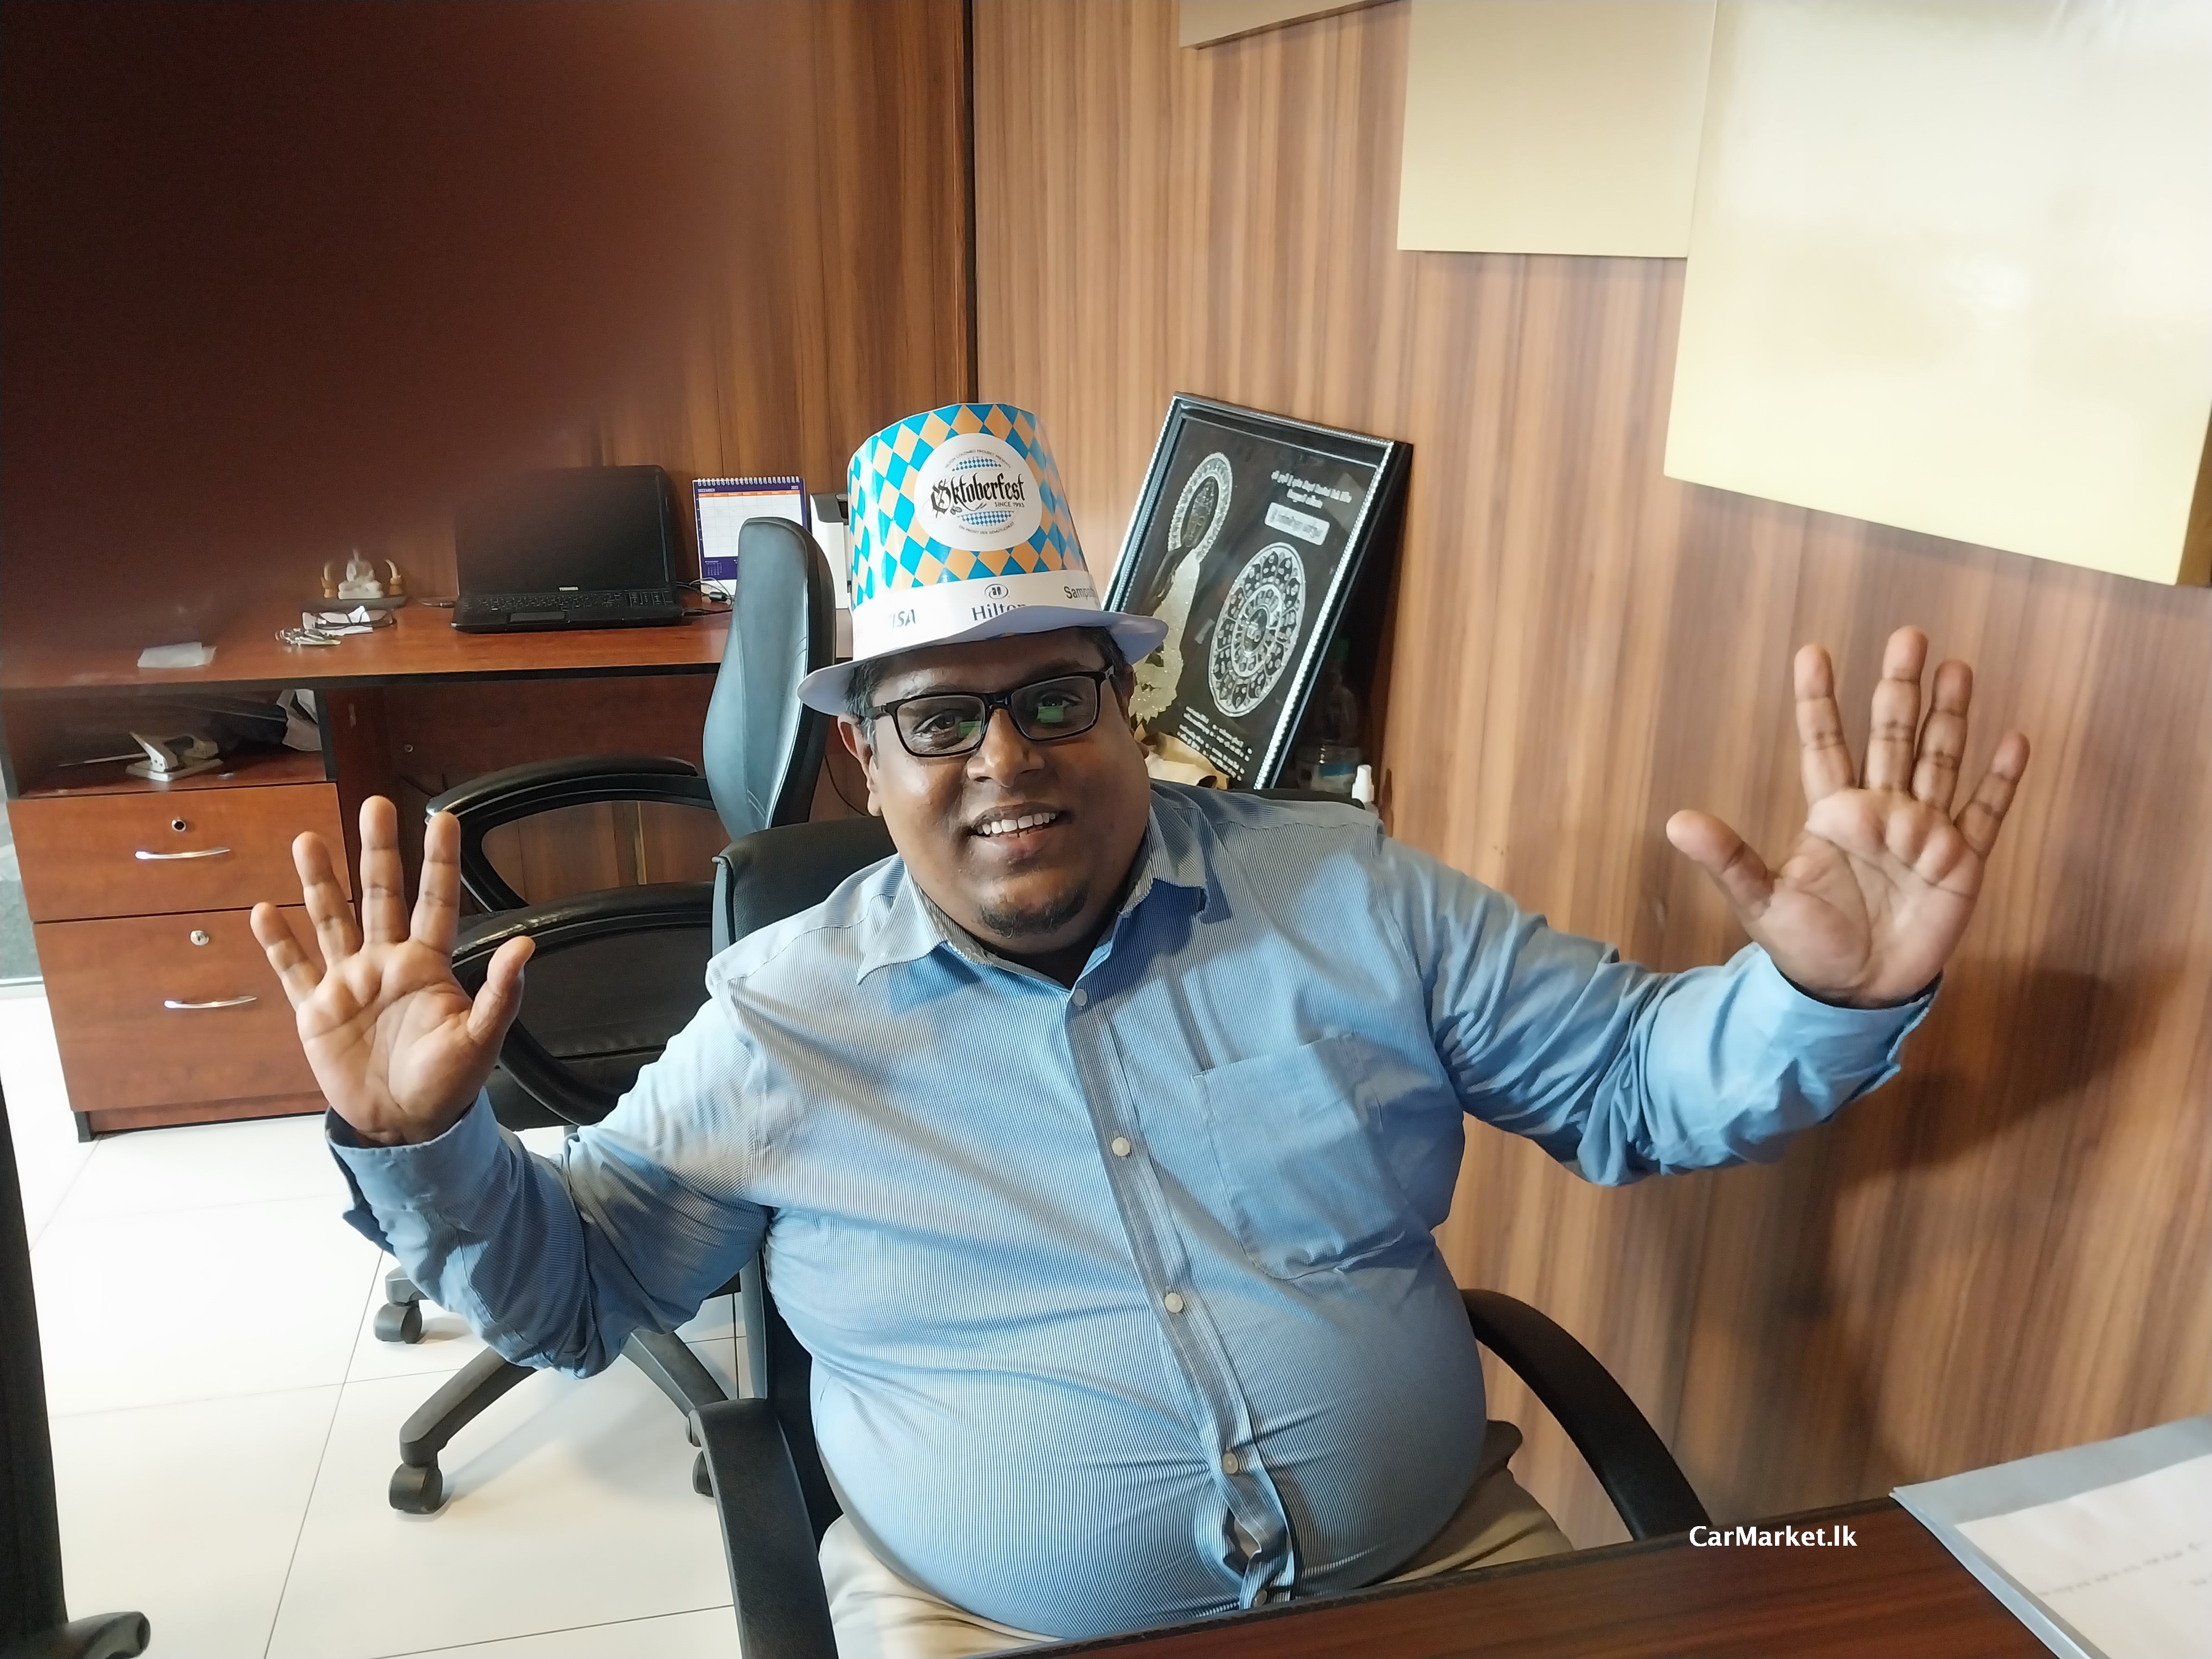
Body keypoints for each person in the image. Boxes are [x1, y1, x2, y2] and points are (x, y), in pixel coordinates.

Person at [252, 405, 2028, 1658]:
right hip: (986, 1623)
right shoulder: (782, 1021)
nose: (1007, 762)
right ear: (864, 758)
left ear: (1129, 703)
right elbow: (577, 1293)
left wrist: (1820, 993)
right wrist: (427, 1147)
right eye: (939, 718)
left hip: (1442, 1570)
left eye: (1054, 696)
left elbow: (1636, 1081)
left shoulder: (1349, 895)